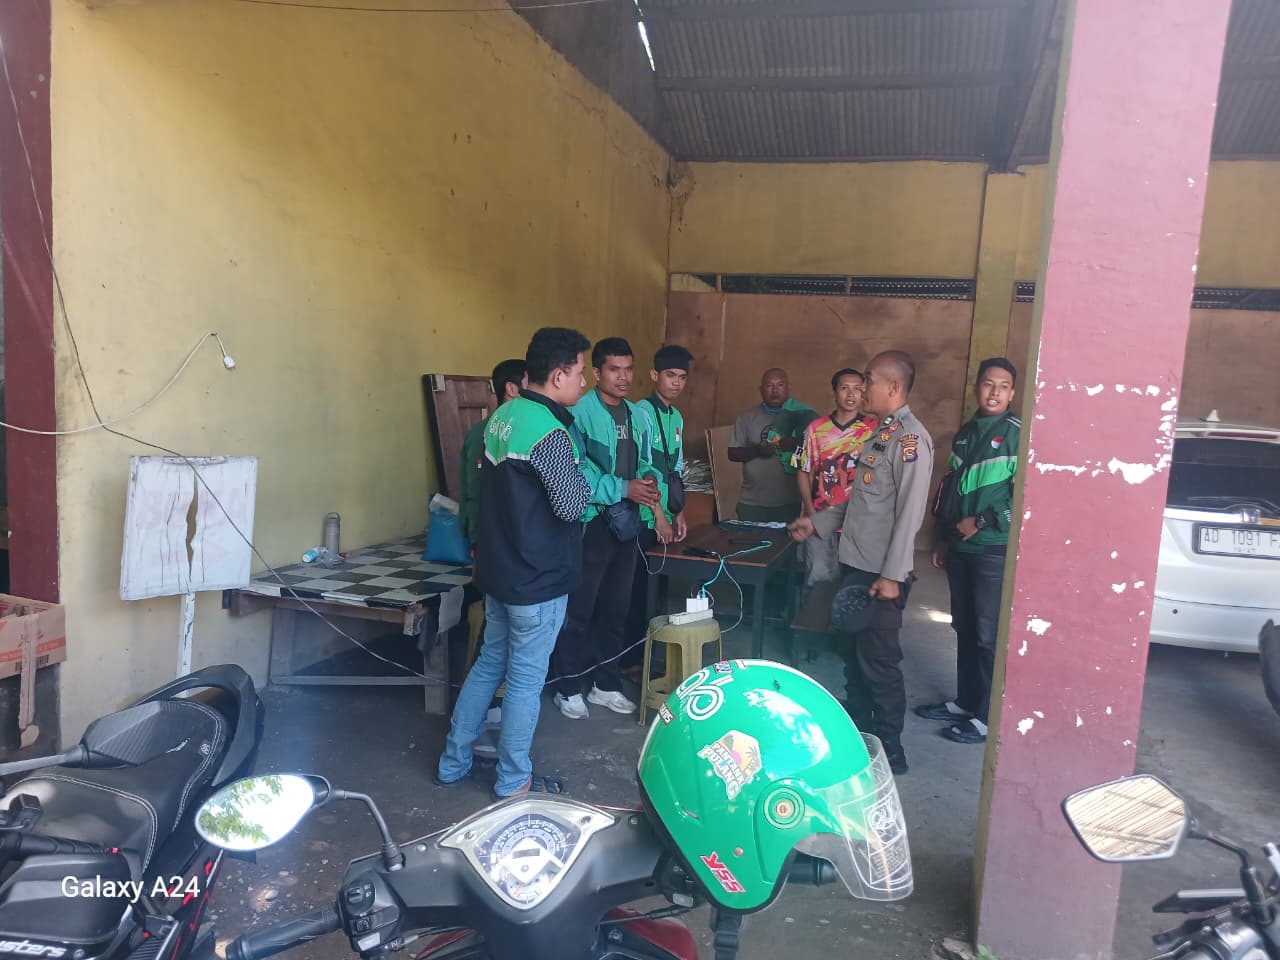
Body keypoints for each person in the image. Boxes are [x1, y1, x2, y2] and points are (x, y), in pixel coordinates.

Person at [436, 327, 591, 800]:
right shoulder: (550, 432)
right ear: (559, 375)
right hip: (537, 579)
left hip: (500, 573)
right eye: (580, 372)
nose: (583, 382)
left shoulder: (501, 418)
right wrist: (586, 481)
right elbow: (571, 505)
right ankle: (513, 780)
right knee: (525, 680)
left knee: (488, 665)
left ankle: (452, 762)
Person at [789, 351, 934, 775]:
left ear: (894, 387)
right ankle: (858, 732)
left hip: (880, 573)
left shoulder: (910, 439)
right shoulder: (881, 433)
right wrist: (815, 523)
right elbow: (858, 501)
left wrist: (893, 575)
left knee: (879, 662)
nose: (863, 388)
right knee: (854, 655)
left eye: (869, 380)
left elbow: (909, 513)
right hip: (857, 564)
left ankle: (890, 749)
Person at [551, 337, 673, 720]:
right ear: (596, 372)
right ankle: (568, 687)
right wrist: (623, 488)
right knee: (579, 610)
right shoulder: (578, 412)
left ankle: (606, 685)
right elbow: (575, 473)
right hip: (592, 525)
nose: (623, 377)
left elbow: (647, 464)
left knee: (617, 608)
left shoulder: (638, 415)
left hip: (628, 524)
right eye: (614, 370)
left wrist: (653, 493)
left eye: (628, 369)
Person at [915, 358, 1020, 746]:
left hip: (992, 548)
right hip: (960, 547)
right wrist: (943, 538)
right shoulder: (965, 434)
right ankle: (965, 702)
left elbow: (1025, 496)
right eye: (988, 384)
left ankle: (987, 718)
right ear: (977, 388)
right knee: (964, 627)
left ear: (1012, 393)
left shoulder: (1016, 435)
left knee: (987, 634)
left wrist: (983, 521)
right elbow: (952, 492)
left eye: (1003, 386)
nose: (995, 392)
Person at [795, 368, 877, 591]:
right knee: (817, 582)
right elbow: (803, 471)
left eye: (857, 389)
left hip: (858, 522)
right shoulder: (815, 429)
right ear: (834, 393)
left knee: (854, 586)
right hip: (819, 519)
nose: (851, 394)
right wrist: (810, 511)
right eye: (844, 388)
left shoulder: (873, 430)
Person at [728, 368, 815, 523]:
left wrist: (796, 444)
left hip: (791, 502)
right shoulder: (746, 418)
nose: (775, 391)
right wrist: (758, 450)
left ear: (788, 387)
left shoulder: (804, 416)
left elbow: (819, 452)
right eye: (769, 385)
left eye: (780, 385)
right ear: (761, 389)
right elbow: (732, 454)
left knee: (788, 539)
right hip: (752, 503)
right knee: (747, 538)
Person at [459, 358, 527, 545]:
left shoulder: (530, 429)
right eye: (532, 383)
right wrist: (475, 538)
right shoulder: (482, 433)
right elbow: (475, 490)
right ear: (512, 389)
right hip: (491, 536)